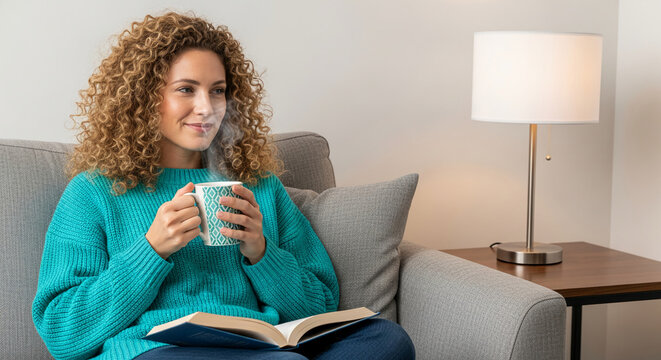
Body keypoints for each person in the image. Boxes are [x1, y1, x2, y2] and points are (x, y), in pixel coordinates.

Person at [32, 11, 415, 360]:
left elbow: (320, 306)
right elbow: (63, 333)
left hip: (261, 346)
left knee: (385, 340)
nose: (207, 107)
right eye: (186, 89)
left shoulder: (259, 187)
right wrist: (151, 251)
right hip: (158, 351)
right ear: (145, 99)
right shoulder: (95, 192)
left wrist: (261, 252)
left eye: (217, 90)